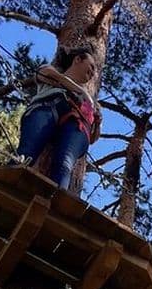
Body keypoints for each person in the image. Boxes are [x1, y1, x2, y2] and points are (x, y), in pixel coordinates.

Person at [15, 45, 102, 190]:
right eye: (91, 66)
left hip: (75, 124)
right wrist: (80, 91)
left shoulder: (91, 103)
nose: (93, 73)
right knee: (26, 152)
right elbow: (44, 73)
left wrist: (98, 123)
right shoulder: (52, 73)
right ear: (78, 59)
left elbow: (91, 139)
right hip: (48, 107)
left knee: (64, 164)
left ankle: (55, 201)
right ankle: (10, 178)